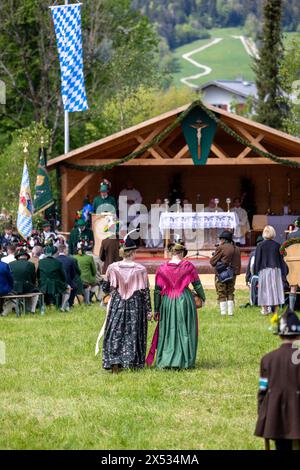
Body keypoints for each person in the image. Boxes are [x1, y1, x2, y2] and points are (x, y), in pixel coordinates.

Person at [102, 234, 152, 372]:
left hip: (118, 302)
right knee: (133, 331)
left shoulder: (112, 267)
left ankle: (114, 359)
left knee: (115, 330)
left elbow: (105, 288)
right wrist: (149, 310)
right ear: (133, 252)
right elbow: (145, 291)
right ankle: (131, 361)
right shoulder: (141, 269)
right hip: (135, 303)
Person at [153, 241, 205, 369]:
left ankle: (166, 360)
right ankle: (184, 360)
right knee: (185, 329)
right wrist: (202, 297)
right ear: (182, 253)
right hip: (184, 300)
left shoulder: (161, 268)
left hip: (168, 301)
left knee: (167, 330)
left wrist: (156, 309)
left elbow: (157, 291)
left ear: (171, 252)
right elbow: (197, 285)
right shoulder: (188, 266)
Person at [254, 308, 300, 450]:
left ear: (279, 335)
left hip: (276, 418)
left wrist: (263, 414)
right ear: (298, 335)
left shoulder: (267, 360)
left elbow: (263, 390)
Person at [254, 225, 287, 316]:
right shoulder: (277, 245)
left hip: (264, 270)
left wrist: (255, 273)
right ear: (273, 233)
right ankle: (276, 311)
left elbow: (257, 260)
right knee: (275, 289)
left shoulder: (260, 245)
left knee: (264, 289)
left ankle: (265, 310)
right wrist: (284, 273)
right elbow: (281, 260)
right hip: (275, 270)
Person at [210, 231, 241, 316]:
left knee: (221, 292)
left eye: (221, 239)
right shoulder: (237, 248)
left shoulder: (221, 248)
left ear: (223, 239)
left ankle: (223, 313)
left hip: (222, 274)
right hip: (233, 274)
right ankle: (230, 313)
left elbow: (212, 262)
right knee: (230, 292)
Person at [37, 244, 70, 311]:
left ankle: (42, 307)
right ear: (53, 253)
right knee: (68, 288)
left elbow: (38, 275)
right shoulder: (58, 262)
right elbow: (63, 276)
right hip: (56, 285)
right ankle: (62, 307)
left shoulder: (40, 262)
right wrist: (64, 283)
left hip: (43, 285)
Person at [9, 247, 39, 314]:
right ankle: (32, 310)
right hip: (27, 287)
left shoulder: (10, 264)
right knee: (35, 292)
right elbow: (33, 279)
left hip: (14, 288)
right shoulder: (31, 264)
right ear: (26, 256)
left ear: (18, 257)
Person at [57, 244, 81, 308]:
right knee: (75, 287)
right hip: (67, 281)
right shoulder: (71, 260)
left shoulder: (55, 259)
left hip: (57, 282)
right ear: (64, 250)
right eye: (67, 250)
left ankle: (59, 303)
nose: (67, 251)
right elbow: (73, 273)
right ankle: (70, 303)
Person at [245, 235, 264, 307]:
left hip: (254, 277)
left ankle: (254, 301)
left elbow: (248, 268)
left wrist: (247, 279)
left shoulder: (253, 253)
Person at [286, 217, 300, 311]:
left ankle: (291, 309)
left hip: (294, 264)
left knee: (293, 287)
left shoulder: (291, 235)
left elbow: (287, 250)